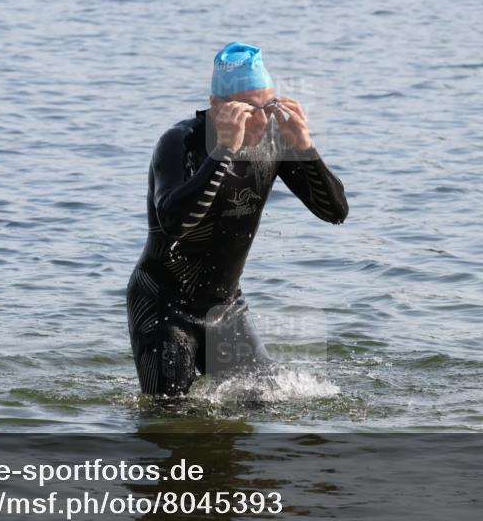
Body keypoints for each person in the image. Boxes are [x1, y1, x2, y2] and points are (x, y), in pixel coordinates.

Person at [126, 42, 349, 396]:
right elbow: (176, 223)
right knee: (170, 419)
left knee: (263, 402)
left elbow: (335, 213)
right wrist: (224, 150)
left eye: (270, 106)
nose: (262, 120)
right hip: (164, 306)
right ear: (217, 106)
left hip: (225, 309)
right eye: (249, 110)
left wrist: (306, 149)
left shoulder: (275, 139)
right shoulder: (179, 142)